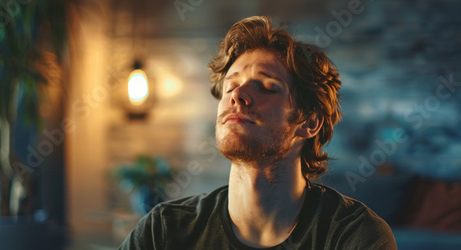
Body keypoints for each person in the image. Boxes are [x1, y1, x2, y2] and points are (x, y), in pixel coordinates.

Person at [118, 16, 397, 250]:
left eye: (266, 86)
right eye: (230, 86)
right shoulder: (164, 231)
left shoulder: (355, 237)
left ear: (309, 122)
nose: (237, 95)